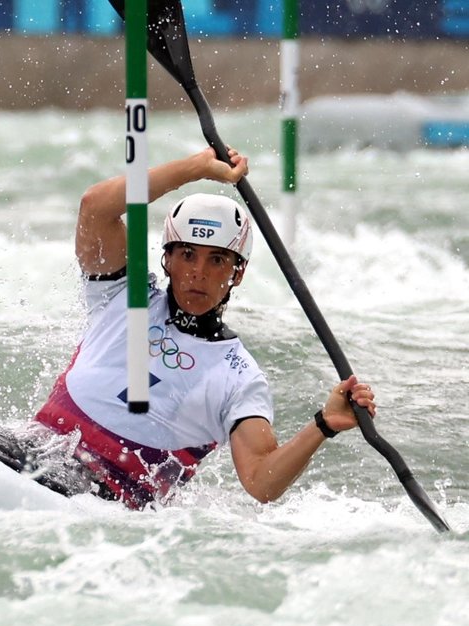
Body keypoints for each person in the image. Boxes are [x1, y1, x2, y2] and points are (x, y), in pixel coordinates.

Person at [34, 147, 376, 509]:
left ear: (238, 273)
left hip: (110, 509)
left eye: (216, 259)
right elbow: (96, 207)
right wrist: (194, 169)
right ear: (167, 259)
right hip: (33, 458)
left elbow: (261, 481)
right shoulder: (122, 294)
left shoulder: (238, 377)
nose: (198, 272)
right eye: (187, 255)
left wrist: (323, 424)